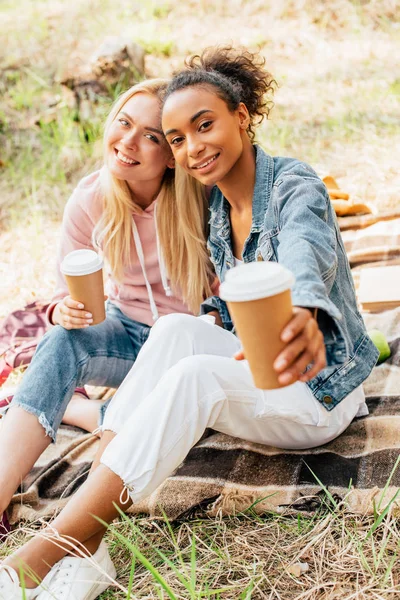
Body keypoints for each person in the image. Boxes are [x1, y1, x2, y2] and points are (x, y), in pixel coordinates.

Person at [0, 47, 378, 599]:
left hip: (320, 392)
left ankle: (51, 550)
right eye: (177, 138)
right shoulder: (219, 205)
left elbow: (307, 249)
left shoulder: (295, 186)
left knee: (195, 374)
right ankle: (93, 536)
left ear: (241, 117)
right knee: (177, 333)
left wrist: (306, 311)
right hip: (259, 369)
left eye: (205, 126)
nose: (193, 147)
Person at [0, 78, 214, 547]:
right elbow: (62, 293)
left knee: (162, 421)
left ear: (173, 151)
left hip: (192, 340)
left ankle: (89, 412)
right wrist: (64, 312)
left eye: (152, 136)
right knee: (60, 342)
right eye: (124, 123)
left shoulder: (199, 197)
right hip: (126, 332)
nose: (129, 143)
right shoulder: (91, 197)